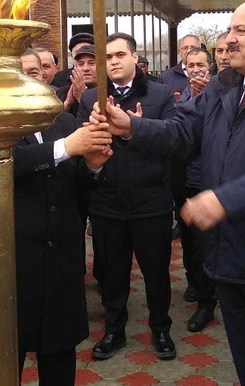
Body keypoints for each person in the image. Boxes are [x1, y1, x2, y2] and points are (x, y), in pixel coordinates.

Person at [91, 0, 245, 385]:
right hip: (229, 260)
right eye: (229, 30)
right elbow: (181, 131)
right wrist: (131, 128)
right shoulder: (224, 88)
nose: (229, 40)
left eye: (241, 30)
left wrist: (224, 199)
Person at [77, 33, 178, 361]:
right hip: (107, 202)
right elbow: (81, 147)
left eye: (121, 54)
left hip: (151, 202)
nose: (114, 61)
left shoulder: (161, 95)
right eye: (107, 57)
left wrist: (137, 126)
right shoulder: (91, 98)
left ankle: (161, 328)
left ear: (136, 58)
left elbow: (172, 143)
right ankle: (114, 330)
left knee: (156, 272)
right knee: (112, 273)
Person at [14, 49, 111, 385]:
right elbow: (8, 165)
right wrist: (67, 148)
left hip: (61, 262)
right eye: (27, 69)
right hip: (16, 264)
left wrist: (94, 166)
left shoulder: (65, 121)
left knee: (58, 359)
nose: (37, 73)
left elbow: (77, 188)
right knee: (6, 356)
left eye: (42, 68)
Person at [177, 48, 217, 332]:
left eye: (200, 64)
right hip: (189, 179)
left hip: (219, 180)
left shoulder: (225, 91)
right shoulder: (180, 94)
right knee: (194, 246)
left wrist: (209, 97)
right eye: (191, 65)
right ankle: (203, 298)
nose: (196, 70)